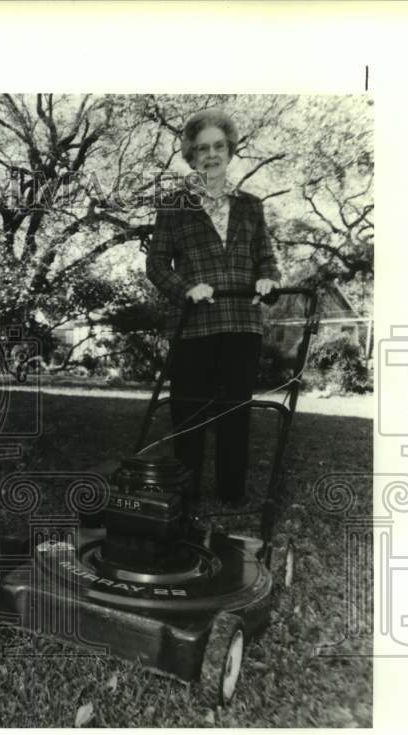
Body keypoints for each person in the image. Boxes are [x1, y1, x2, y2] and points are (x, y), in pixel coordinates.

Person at [145, 108, 280, 504]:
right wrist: (185, 288)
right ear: (190, 155)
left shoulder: (251, 206)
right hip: (194, 326)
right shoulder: (174, 206)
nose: (211, 154)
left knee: (234, 416)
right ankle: (182, 504)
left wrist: (269, 280)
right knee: (188, 419)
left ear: (230, 150)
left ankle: (230, 499)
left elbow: (266, 258)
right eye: (201, 148)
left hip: (242, 324)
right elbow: (155, 264)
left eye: (219, 146)